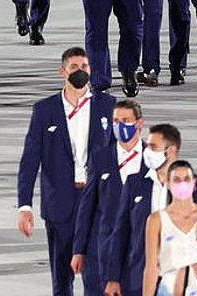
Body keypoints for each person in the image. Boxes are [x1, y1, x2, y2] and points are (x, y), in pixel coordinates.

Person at [16, 47, 116, 296]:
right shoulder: (45, 110)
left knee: (96, 278)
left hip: (96, 203)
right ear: (63, 72)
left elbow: (118, 157)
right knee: (62, 280)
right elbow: (29, 161)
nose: (80, 72)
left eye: (85, 67)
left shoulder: (108, 106)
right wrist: (24, 206)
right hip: (60, 204)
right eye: (74, 67)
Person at [105, 123, 197, 296]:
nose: (146, 151)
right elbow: (121, 232)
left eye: (153, 147)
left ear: (171, 150)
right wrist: (113, 278)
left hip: (182, 279)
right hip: (138, 277)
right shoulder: (134, 184)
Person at [71, 98, 144, 289]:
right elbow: (87, 205)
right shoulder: (101, 158)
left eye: (126, 121)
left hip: (139, 251)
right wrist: (79, 249)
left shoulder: (153, 159)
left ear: (139, 123)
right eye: (116, 121)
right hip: (102, 250)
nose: (120, 126)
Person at [142, 160, 197, 294]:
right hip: (168, 289)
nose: (182, 184)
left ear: (194, 183)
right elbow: (151, 267)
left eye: (186, 179)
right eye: (176, 180)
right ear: (168, 184)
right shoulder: (156, 220)